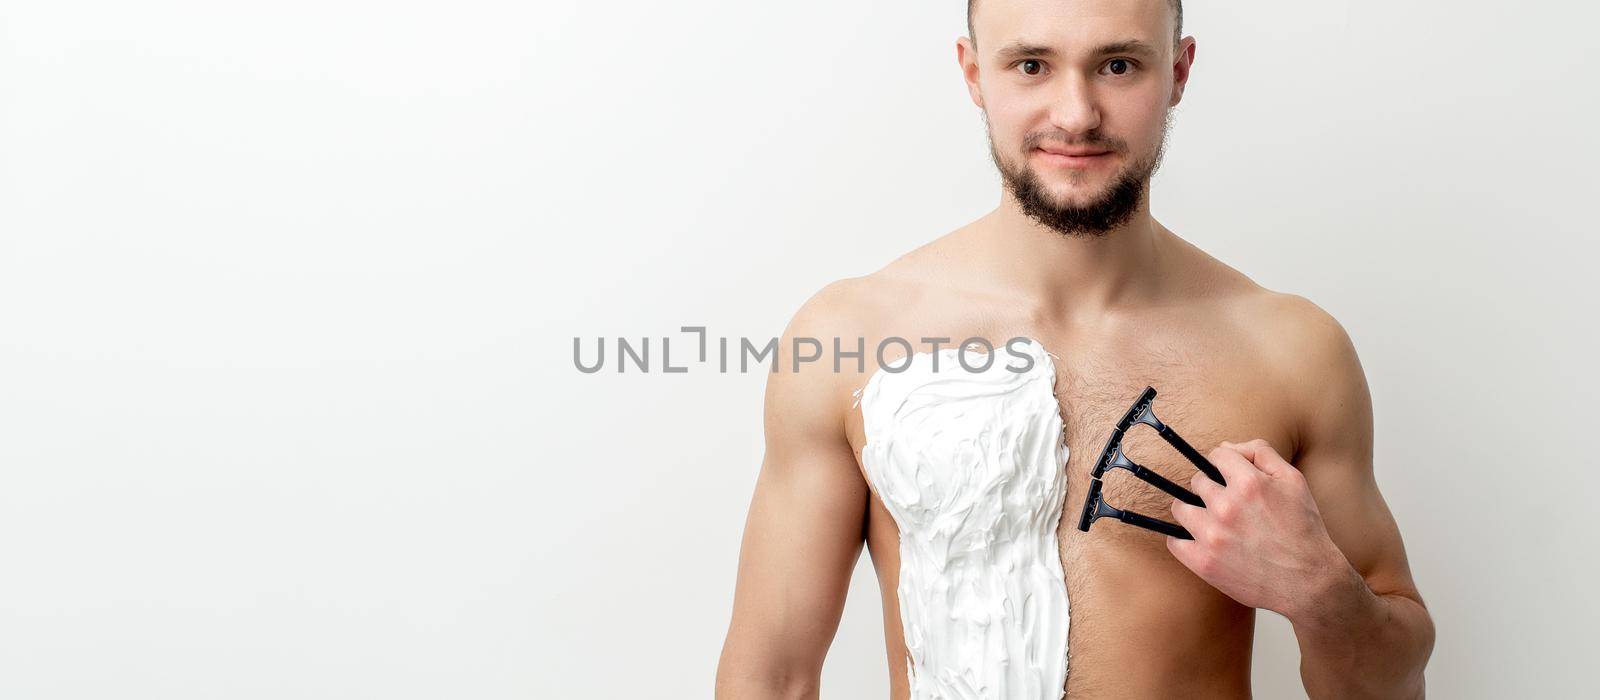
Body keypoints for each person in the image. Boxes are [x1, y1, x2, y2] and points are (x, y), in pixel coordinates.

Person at [714, 0, 1435, 697]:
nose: (1076, 114)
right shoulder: (852, 339)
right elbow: (770, 680)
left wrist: (1317, 590)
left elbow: (1390, 691)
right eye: (1031, 65)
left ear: (1179, 72)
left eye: (1118, 66)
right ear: (973, 74)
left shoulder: (1288, 352)